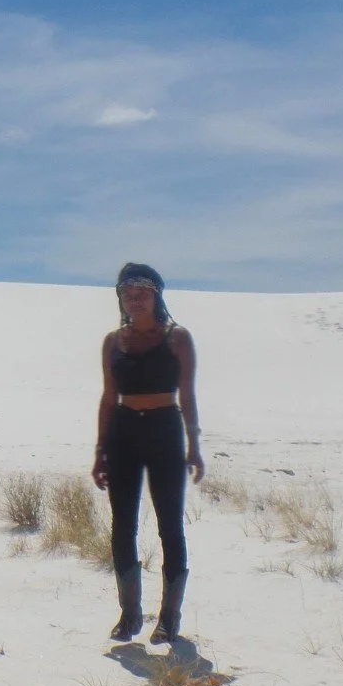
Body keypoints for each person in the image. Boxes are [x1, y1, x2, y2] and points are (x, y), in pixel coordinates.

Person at [90, 262, 204, 643]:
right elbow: (109, 397)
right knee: (122, 524)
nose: (134, 300)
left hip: (164, 431)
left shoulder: (177, 338)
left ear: (156, 295)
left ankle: (169, 617)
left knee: (170, 524)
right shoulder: (113, 342)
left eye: (141, 293)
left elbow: (187, 394)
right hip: (123, 433)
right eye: (127, 294)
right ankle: (130, 615)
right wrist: (100, 450)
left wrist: (194, 445)